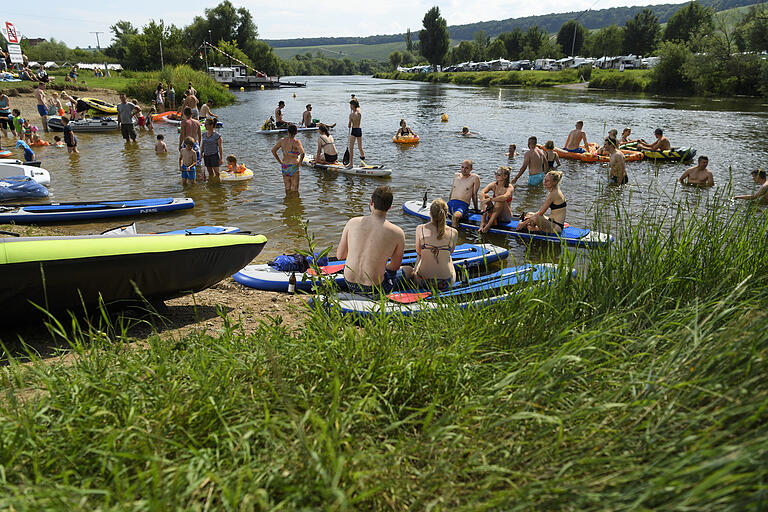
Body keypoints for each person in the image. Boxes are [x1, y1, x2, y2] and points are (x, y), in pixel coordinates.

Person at [336, 186, 406, 294]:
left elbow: (340, 256)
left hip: (349, 282)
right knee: (408, 270)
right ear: (390, 207)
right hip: (375, 287)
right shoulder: (398, 233)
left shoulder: (352, 222)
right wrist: (380, 265)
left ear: (371, 202)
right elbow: (395, 267)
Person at [401, 198, 458, 290]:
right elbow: (450, 252)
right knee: (448, 257)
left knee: (420, 255)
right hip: (445, 283)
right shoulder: (453, 232)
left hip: (422, 281)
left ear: (430, 213)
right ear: (446, 214)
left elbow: (418, 252)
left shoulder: (420, 228)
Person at [271, 123, 304, 195]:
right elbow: (303, 153)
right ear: (296, 132)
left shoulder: (282, 141)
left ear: (288, 132)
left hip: (285, 166)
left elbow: (273, 150)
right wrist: (300, 163)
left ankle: (288, 203)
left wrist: (280, 161)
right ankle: (293, 204)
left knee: (287, 188)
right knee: (295, 190)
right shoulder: (296, 142)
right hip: (293, 166)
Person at [479, 167, 514, 233]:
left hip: (505, 216)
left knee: (500, 200)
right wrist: (483, 200)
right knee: (485, 196)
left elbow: (505, 197)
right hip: (495, 211)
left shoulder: (509, 187)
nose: (496, 175)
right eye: (496, 173)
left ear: (505, 176)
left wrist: (491, 199)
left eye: (499, 174)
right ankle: (482, 222)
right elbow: (482, 192)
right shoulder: (493, 185)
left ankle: (488, 225)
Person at [448, 159, 480, 226]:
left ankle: (454, 235)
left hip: (462, 206)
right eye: (462, 167)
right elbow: (452, 191)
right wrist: (447, 205)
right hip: (450, 204)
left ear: (471, 169)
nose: (463, 170)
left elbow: (474, 195)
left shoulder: (474, 178)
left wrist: (476, 209)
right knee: (435, 211)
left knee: (455, 217)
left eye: (466, 168)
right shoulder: (456, 175)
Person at [347, 98, 364, 168]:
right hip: (359, 129)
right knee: (360, 147)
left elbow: (349, 125)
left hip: (354, 130)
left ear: (352, 106)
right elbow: (358, 106)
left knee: (351, 147)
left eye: (350, 105)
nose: (349, 106)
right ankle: (362, 163)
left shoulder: (351, 115)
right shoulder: (359, 112)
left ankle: (351, 164)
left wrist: (350, 120)